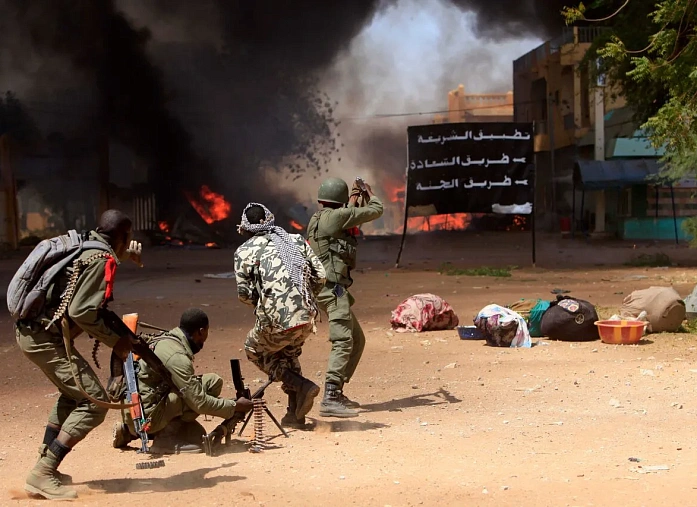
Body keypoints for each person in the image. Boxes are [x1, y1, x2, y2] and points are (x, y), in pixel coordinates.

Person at [15, 209, 143, 500]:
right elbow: (82, 312)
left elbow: (85, 270)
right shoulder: (102, 258)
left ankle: (45, 466)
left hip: (34, 334)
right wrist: (117, 341)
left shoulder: (88, 243)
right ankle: (43, 473)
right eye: (129, 237)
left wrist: (123, 255)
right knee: (94, 404)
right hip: (44, 339)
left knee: (72, 396)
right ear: (122, 236)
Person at [234, 203, 326, 428]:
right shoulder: (294, 240)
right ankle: (294, 415)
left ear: (246, 227)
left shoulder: (243, 251)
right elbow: (321, 276)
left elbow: (244, 295)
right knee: (288, 354)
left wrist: (267, 304)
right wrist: (301, 300)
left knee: (253, 349)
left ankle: (301, 385)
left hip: (275, 322)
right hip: (307, 317)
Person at [112, 308, 253, 453]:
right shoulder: (177, 357)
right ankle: (165, 439)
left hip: (135, 412)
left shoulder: (168, 339)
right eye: (206, 332)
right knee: (196, 398)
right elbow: (200, 402)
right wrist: (235, 406)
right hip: (147, 416)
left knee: (212, 382)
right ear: (201, 331)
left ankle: (128, 431)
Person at [306, 177, 383, 418]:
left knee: (357, 339)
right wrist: (370, 193)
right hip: (333, 290)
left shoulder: (320, 218)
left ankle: (337, 392)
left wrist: (353, 197)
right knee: (343, 341)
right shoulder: (337, 218)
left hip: (325, 289)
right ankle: (330, 396)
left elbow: (347, 212)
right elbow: (376, 210)